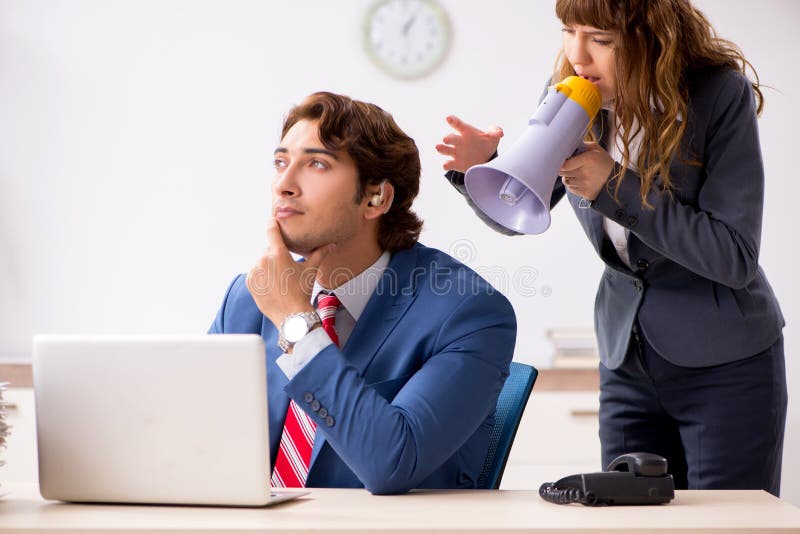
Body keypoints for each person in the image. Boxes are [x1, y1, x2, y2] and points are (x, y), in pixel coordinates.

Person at [436, 0, 786, 496]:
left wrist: (613, 186)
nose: (578, 55)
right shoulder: (572, 97)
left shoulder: (717, 94)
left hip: (727, 363)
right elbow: (522, 210)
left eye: (601, 39)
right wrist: (481, 168)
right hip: (625, 361)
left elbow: (733, 256)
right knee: (628, 516)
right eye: (568, 30)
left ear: (652, 37)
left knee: (724, 524)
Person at [209, 91, 516, 494]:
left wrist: (296, 323)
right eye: (281, 162)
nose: (283, 184)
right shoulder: (247, 299)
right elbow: (200, 442)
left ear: (376, 197)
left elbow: (391, 463)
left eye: (316, 164)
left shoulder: (470, 313)